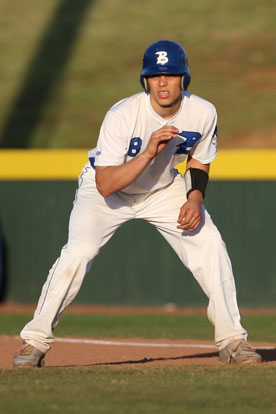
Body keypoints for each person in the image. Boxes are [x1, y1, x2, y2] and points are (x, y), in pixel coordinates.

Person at [13, 40, 261, 367]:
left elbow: (200, 160)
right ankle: (34, 343)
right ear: (144, 80)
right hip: (107, 192)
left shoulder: (203, 112)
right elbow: (105, 183)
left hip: (161, 190)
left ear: (184, 78)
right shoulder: (122, 115)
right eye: (154, 75)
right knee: (78, 253)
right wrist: (148, 152)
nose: (162, 82)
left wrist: (194, 197)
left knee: (210, 244)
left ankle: (233, 341)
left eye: (171, 75)